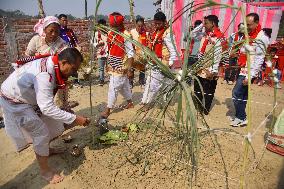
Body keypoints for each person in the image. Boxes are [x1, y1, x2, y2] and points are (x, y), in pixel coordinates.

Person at [0, 48, 90, 184]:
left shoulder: (53, 63)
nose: (74, 73)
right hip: (15, 101)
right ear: (64, 62)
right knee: (40, 132)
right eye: (73, 69)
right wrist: (76, 119)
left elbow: (47, 104)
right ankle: (45, 171)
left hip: (27, 98)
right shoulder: (44, 75)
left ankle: (46, 149)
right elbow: (47, 107)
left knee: (52, 124)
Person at [25, 16, 76, 110]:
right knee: (38, 105)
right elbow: (27, 57)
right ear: (44, 29)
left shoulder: (63, 44)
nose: (54, 34)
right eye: (51, 31)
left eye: (57, 31)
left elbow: (65, 63)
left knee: (57, 105)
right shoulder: (36, 40)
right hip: (37, 78)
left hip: (56, 79)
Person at [231, 13, 270, 127]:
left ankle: (242, 117)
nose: (247, 27)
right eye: (246, 24)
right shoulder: (248, 34)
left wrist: (250, 76)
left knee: (236, 93)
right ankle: (240, 117)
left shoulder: (262, 37)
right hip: (243, 66)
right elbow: (245, 49)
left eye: (249, 24)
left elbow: (259, 58)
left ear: (257, 23)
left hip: (249, 70)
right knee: (242, 95)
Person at [100, 12, 135, 118]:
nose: (112, 28)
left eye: (114, 26)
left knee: (113, 87)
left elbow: (130, 53)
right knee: (123, 86)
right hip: (112, 64)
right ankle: (130, 103)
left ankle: (108, 109)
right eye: (112, 26)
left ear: (120, 25)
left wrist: (129, 69)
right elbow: (109, 46)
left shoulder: (126, 35)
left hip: (121, 65)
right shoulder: (111, 33)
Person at [141, 11, 177, 105]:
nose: (156, 25)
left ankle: (149, 103)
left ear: (164, 22)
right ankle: (144, 101)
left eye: (159, 23)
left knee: (154, 85)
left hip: (162, 63)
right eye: (155, 23)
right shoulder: (156, 32)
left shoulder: (168, 34)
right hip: (154, 62)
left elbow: (173, 51)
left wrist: (170, 63)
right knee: (148, 82)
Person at [194, 15, 227, 115]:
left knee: (208, 91)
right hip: (200, 67)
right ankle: (198, 107)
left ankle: (206, 109)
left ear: (213, 23)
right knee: (197, 89)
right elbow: (192, 34)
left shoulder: (219, 37)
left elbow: (218, 56)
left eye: (206, 23)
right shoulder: (205, 34)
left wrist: (213, 71)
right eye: (204, 23)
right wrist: (201, 25)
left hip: (211, 69)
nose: (204, 25)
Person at [58, 14, 80, 85]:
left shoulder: (70, 31)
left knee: (74, 66)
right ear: (59, 21)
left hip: (71, 52)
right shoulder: (58, 31)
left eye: (66, 20)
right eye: (63, 20)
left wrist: (78, 47)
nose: (65, 22)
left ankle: (76, 81)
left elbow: (75, 41)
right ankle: (63, 81)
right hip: (62, 53)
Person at [130, 17, 148, 88]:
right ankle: (130, 82)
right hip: (134, 53)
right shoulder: (132, 32)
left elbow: (146, 44)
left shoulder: (145, 33)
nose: (140, 27)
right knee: (132, 69)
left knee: (142, 69)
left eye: (141, 26)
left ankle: (141, 81)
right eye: (138, 26)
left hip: (142, 54)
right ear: (136, 25)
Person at [92, 18, 108, 86]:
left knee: (109, 67)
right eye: (101, 26)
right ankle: (101, 80)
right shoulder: (96, 34)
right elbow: (92, 42)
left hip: (108, 52)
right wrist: (97, 44)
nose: (103, 27)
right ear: (99, 26)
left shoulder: (108, 33)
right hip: (100, 53)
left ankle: (111, 79)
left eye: (104, 25)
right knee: (101, 68)